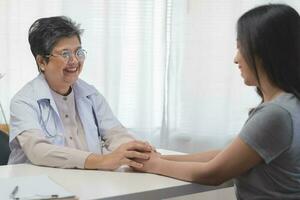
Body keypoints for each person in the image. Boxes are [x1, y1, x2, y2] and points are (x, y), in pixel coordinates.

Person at [133, 4, 300, 199]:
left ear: (263, 51)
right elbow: (227, 155)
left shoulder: (276, 114)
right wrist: (160, 158)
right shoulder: (288, 104)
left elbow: (213, 173)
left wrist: (153, 164)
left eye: (240, 47)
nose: (236, 59)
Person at [8, 16, 152, 170]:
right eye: (65, 54)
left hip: (86, 179)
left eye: (78, 52)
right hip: (37, 184)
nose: (75, 61)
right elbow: (38, 151)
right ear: (42, 62)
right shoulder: (24, 101)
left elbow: (115, 133)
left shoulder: (90, 95)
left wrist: (134, 149)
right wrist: (102, 161)